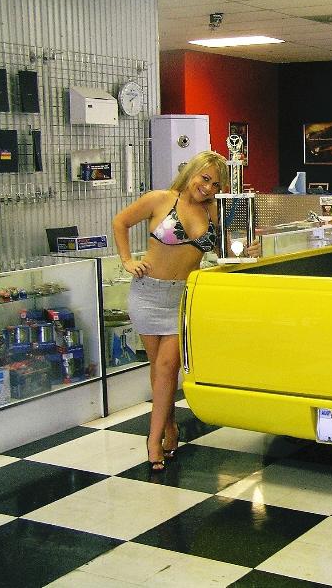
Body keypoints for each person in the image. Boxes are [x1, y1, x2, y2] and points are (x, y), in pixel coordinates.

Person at [113, 150, 228, 472]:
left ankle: (153, 442)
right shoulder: (159, 200)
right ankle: (169, 427)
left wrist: (246, 248)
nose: (208, 188)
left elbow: (224, 249)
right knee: (159, 370)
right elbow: (120, 222)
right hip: (147, 295)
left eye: (215, 184)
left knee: (166, 367)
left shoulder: (213, 211)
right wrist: (127, 261)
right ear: (192, 172)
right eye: (205, 178)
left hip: (184, 298)